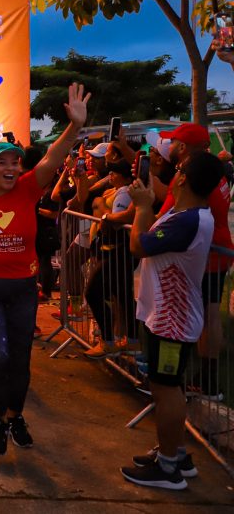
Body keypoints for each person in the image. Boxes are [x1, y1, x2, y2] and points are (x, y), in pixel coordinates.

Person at [0, 83, 89, 455]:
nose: (11, 167)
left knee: (19, 358)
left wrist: (74, 127)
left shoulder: (28, 189)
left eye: (15, 161)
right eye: (2, 161)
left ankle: (15, 416)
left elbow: (53, 156)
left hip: (21, 288)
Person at [123, 152, 224, 490]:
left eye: (178, 169)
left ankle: (169, 469)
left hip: (172, 321)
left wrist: (140, 207)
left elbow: (139, 246)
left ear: (182, 178)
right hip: (168, 316)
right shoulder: (186, 214)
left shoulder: (189, 220)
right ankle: (176, 453)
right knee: (168, 387)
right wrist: (147, 204)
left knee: (166, 390)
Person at [156, 124, 233, 398]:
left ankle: (196, 380)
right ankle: (208, 378)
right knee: (210, 313)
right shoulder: (213, 169)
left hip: (206, 251)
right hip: (216, 246)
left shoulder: (191, 175)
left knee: (199, 315)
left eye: (174, 141)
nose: (171, 146)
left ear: (184, 147)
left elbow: (164, 217)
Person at [84, 161, 138, 358]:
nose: (110, 176)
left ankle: (108, 340)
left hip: (115, 250)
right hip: (119, 251)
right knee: (123, 295)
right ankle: (131, 340)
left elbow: (118, 221)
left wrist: (103, 212)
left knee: (92, 292)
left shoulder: (124, 192)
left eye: (114, 172)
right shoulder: (119, 191)